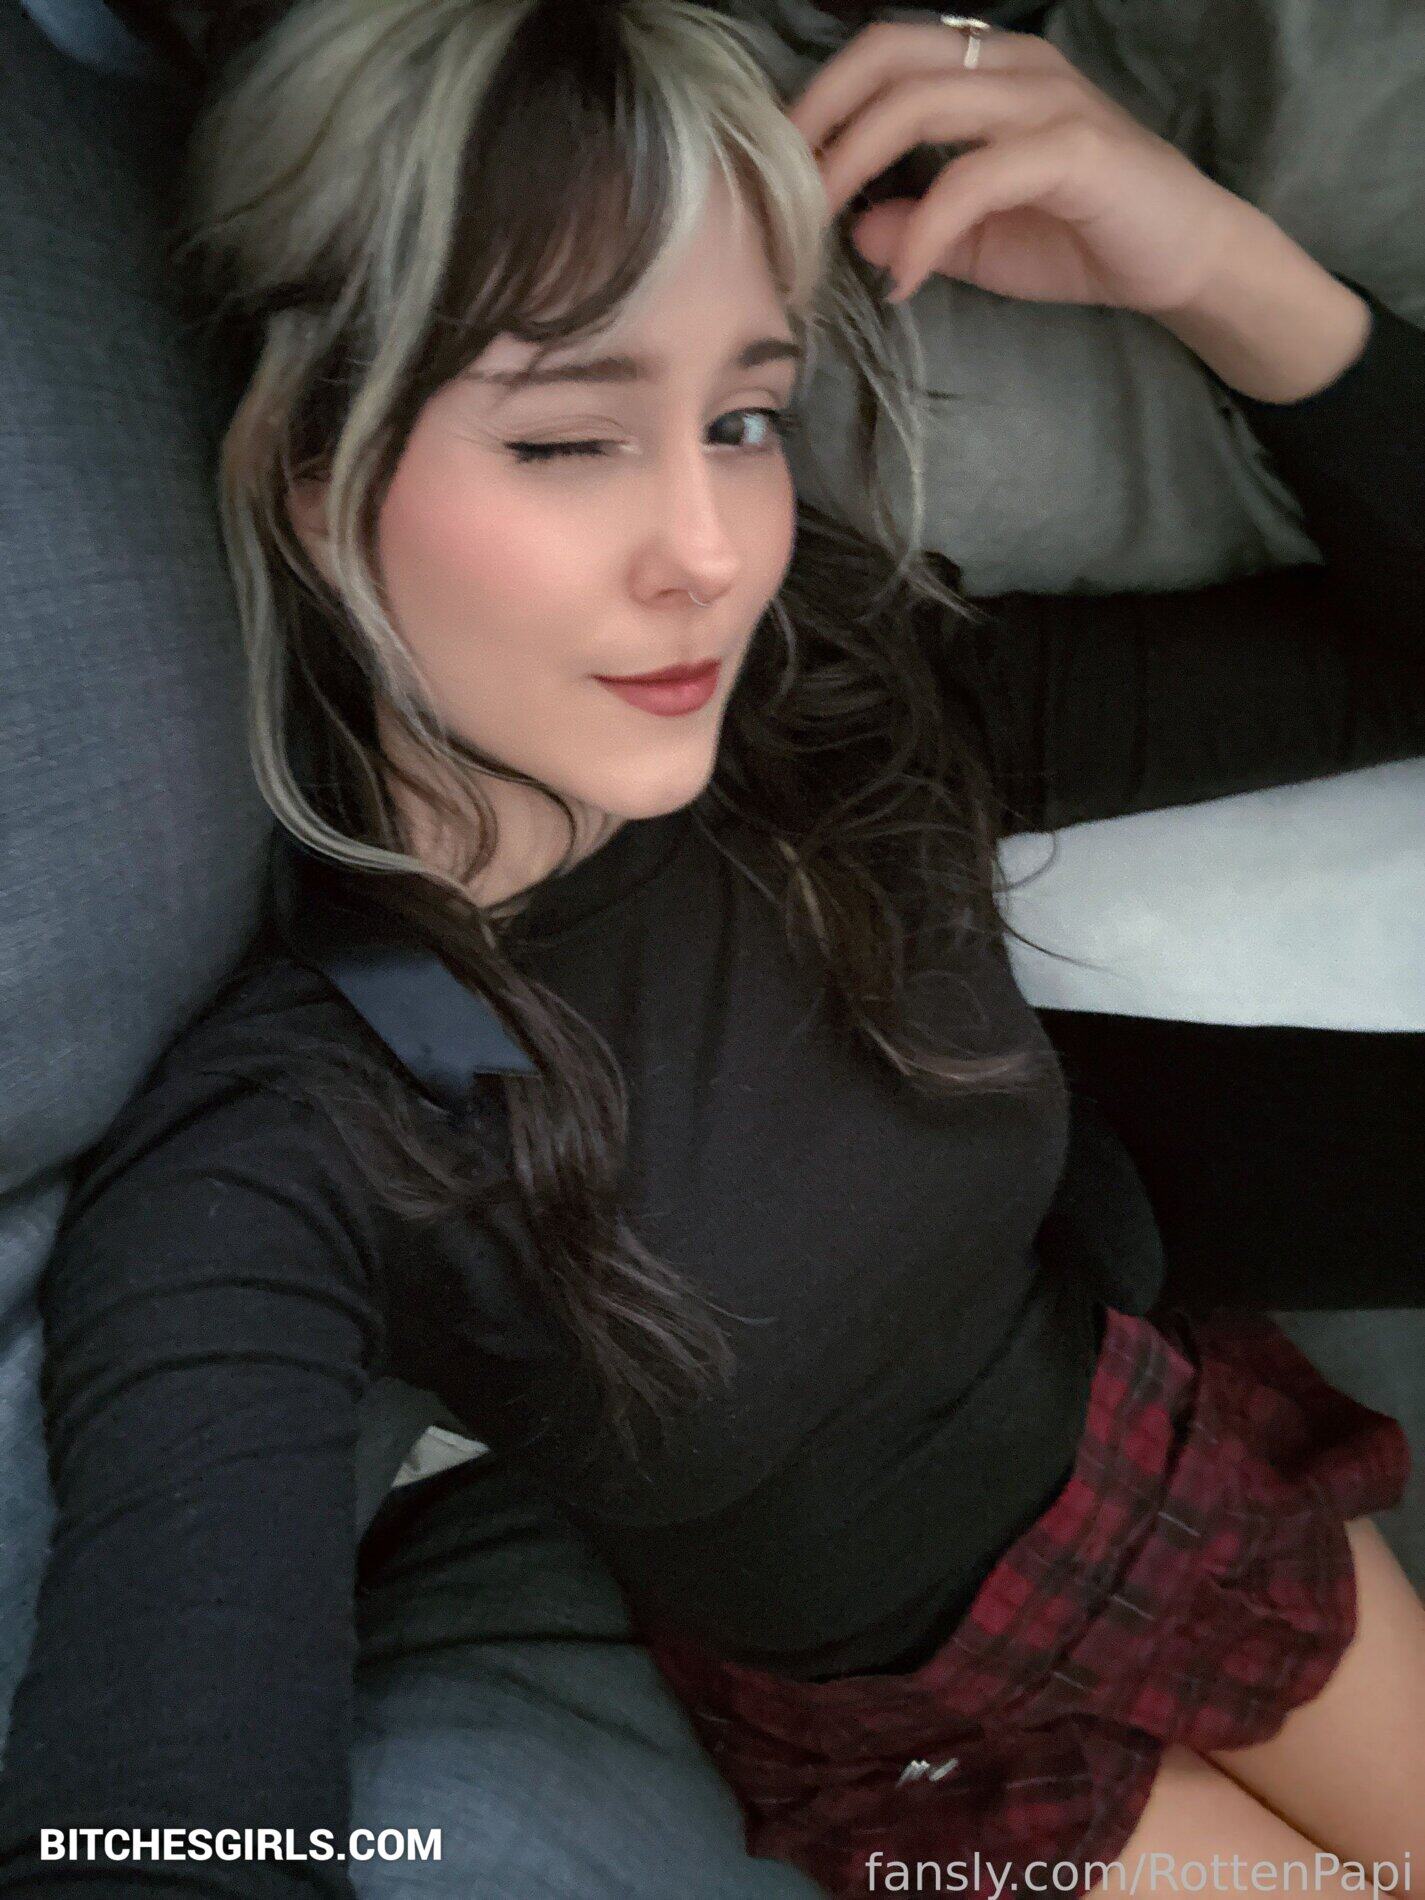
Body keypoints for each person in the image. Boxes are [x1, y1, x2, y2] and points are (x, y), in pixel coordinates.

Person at [0, 0, 1422, 1894]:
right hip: (917, 1763)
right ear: (310, 475)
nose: (711, 549)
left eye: (741, 419)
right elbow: (169, 1821)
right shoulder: (288, 1155)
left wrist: (1219, 269)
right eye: (569, 435)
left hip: (1186, 1484)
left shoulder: (841, 720)